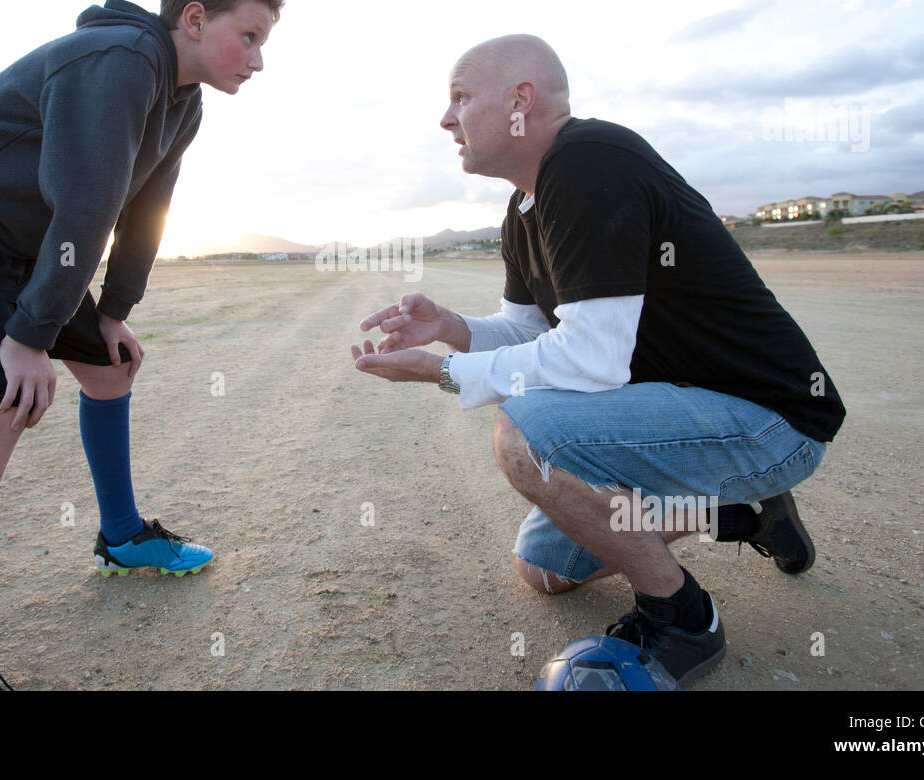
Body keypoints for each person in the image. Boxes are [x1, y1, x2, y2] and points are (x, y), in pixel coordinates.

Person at [351, 34, 845, 686]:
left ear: (520, 101)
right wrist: (450, 329)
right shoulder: (523, 207)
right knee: (545, 571)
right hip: (678, 413)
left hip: (769, 418)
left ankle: (684, 618)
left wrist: (444, 374)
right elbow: (525, 332)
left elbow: (591, 359)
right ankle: (744, 513)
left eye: (460, 98)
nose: (446, 119)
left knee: (525, 431)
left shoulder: (588, 163)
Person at [0, 0, 283, 690]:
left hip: (25, 236)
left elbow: (146, 212)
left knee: (110, 366)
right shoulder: (121, 58)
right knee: (6, 401)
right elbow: (87, 206)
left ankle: (122, 538)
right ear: (194, 19)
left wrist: (115, 312)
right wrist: (30, 338)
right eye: (249, 36)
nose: (258, 59)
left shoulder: (183, 100)